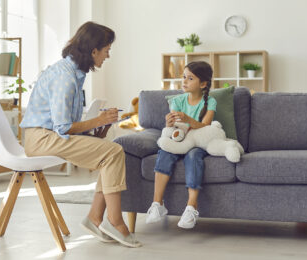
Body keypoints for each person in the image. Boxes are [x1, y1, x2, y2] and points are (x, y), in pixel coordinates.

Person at [20, 22, 141, 248]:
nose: (108, 55)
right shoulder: (65, 77)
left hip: (48, 135)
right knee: (114, 151)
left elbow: (66, 125)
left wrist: (99, 128)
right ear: (94, 50)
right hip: (41, 139)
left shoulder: (74, 73)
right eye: (107, 50)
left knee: (110, 152)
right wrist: (99, 120)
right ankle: (114, 221)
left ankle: (95, 218)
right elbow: (63, 127)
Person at [146, 61, 217, 229]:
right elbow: (175, 129)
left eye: (190, 78)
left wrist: (188, 119)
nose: (184, 81)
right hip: (179, 140)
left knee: (193, 156)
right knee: (165, 152)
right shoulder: (177, 101)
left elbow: (206, 126)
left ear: (203, 84)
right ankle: (157, 204)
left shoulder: (211, 102)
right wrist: (168, 123)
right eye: (184, 77)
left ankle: (191, 207)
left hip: (198, 143)